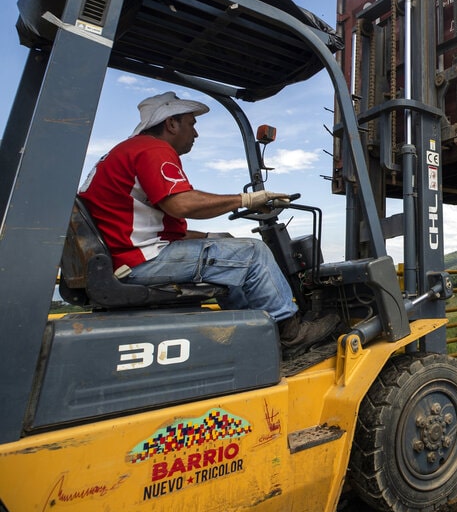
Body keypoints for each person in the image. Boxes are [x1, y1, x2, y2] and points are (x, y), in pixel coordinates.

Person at [78, 91, 339, 354]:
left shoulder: (125, 151)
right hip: (139, 262)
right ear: (171, 123)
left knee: (228, 249)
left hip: (125, 258)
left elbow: (146, 227)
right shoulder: (153, 149)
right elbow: (181, 204)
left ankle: (250, 331)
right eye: (192, 124)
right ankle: (291, 334)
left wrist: (209, 237)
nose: (196, 133)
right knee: (253, 253)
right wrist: (248, 199)